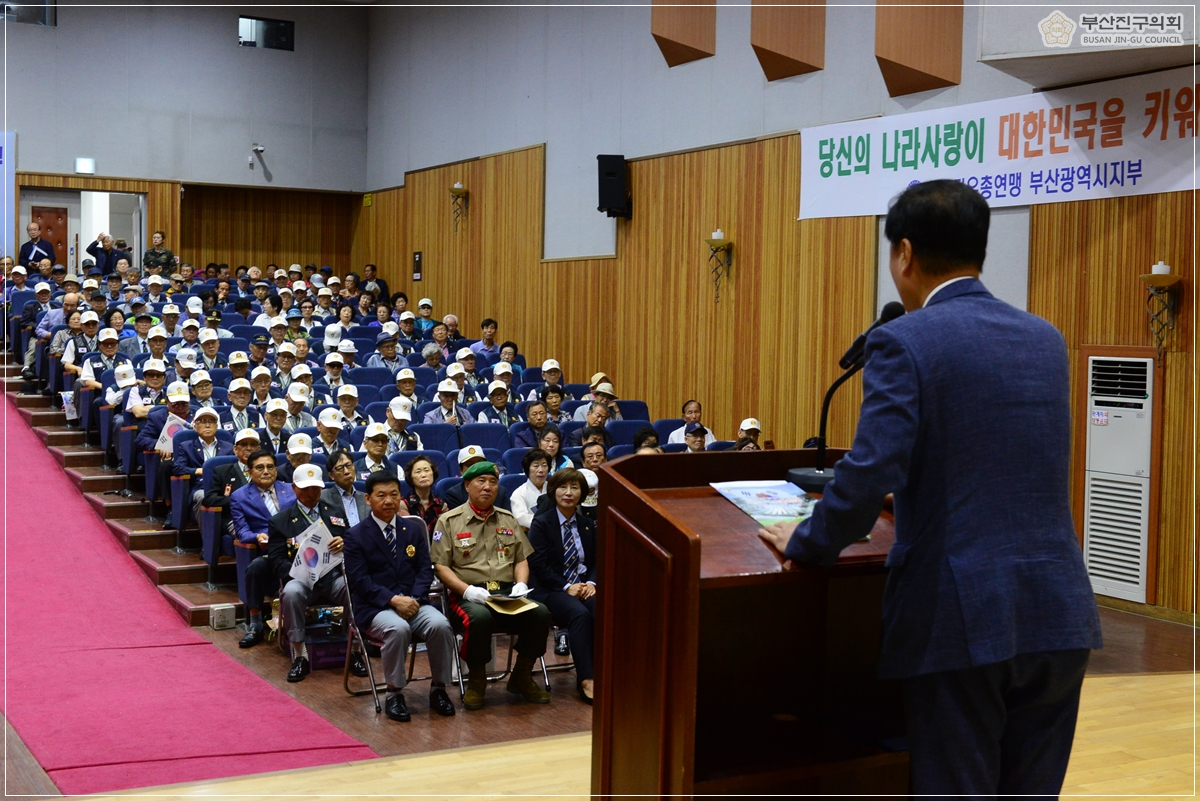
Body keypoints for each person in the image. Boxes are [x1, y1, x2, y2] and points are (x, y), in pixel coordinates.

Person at [756, 180, 1101, 797]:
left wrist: (806, 541)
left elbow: (868, 471)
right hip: (1058, 611)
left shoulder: (904, 339)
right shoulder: (1044, 339)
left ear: (905, 254)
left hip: (963, 618)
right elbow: (1001, 458)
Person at [431, 461, 553, 710]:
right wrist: (466, 590)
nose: (487, 487)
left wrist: (521, 584)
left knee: (541, 612)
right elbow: (441, 567)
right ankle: (476, 680)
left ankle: (521, 675)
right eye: (481, 482)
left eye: (493, 482)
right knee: (479, 618)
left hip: (507, 592)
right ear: (467, 486)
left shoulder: (507, 519)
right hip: (468, 594)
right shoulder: (449, 521)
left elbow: (521, 558)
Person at [344, 470, 458, 721]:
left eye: (394, 495)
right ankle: (394, 693)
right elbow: (359, 581)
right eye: (381, 495)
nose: (388, 501)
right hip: (375, 607)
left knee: (440, 624)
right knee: (397, 629)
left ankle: (439, 688)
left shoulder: (413, 529)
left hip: (414, 602)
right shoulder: (355, 536)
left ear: (400, 498)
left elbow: (424, 570)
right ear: (368, 499)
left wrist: (415, 599)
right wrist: (393, 600)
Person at [269, 463, 365, 682]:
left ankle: (356, 651)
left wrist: (346, 544)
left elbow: (353, 545)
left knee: (357, 587)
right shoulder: (280, 521)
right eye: (305, 488)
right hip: (301, 580)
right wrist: (298, 572)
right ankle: (300, 655)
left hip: (333, 578)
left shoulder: (336, 512)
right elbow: (276, 561)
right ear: (294, 488)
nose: (311, 493)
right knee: (291, 593)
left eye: (316, 488)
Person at [526, 467, 597, 703]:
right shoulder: (542, 523)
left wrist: (591, 582)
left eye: (574, 488)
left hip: (583, 586)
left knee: (603, 607)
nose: (568, 493)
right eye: (563, 487)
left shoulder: (588, 524)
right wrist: (567, 586)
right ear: (553, 491)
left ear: (583, 494)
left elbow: (598, 560)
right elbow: (538, 563)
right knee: (579, 614)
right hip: (550, 589)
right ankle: (586, 679)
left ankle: (608, 673)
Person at [231, 450, 297, 648]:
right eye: (260, 468)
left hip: (296, 547)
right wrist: (256, 536)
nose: (266, 471)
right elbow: (242, 531)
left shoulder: (291, 489)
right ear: (250, 472)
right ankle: (256, 624)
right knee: (256, 568)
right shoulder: (239, 496)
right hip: (268, 550)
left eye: (270, 467)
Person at [200, 428, 260, 538]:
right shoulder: (222, 471)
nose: (248, 448)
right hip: (233, 519)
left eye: (253, 444)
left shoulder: (267, 471)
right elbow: (209, 499)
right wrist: (236, 500)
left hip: (261, 517)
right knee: (252, 536)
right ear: (235, 449)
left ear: (259, 449)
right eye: (243, 444)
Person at [173, 408, 233, 514]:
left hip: (224, 486)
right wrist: (198, 471)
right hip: (200, 486)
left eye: (211, 421)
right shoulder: (186, 446)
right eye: (203, 421)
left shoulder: (228, 447)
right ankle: (207, 530)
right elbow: (178, 468)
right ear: (195, 426)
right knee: (203, 497)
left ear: (217, 426)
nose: (207, 425)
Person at [441, 446, 514, 513]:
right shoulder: (453, 494)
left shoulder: (500, 491)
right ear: (461, 470)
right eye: (470, 465)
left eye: (479, 463)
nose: (476, 468)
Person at [322, 450, 369, 527]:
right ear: (331, 475)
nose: (346, 471)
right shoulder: (324, 498)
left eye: (348, 465)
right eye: (340, 468)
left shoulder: (366, 498)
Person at [403, 455, 446, 535]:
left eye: (426, 470)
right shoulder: (403, 504)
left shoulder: (441, 505)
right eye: (418, 472)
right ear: (411, 478)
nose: (423, 475)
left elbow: (445, 532)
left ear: (433, 474)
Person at [510, 448, 549, 529]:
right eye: (536, 466)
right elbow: (520, 518)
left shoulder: (554, 489)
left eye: (544, 465)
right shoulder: (519, 493)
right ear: (527, 469)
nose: (541, 470)